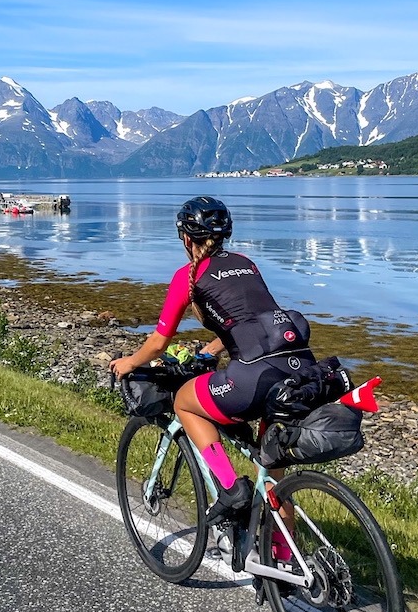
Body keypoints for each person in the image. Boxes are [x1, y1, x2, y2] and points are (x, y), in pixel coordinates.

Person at [109, 196, 316, 539]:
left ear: (186, 239)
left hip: (257, 375)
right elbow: (253, 320)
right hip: (298, 367)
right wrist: (211, 349)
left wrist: (128, 363)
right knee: (272, 478)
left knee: (185, 402)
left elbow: (159, 342)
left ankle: (231, 489)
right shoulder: (245, 263)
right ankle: (282, 566)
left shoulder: (188, 276)